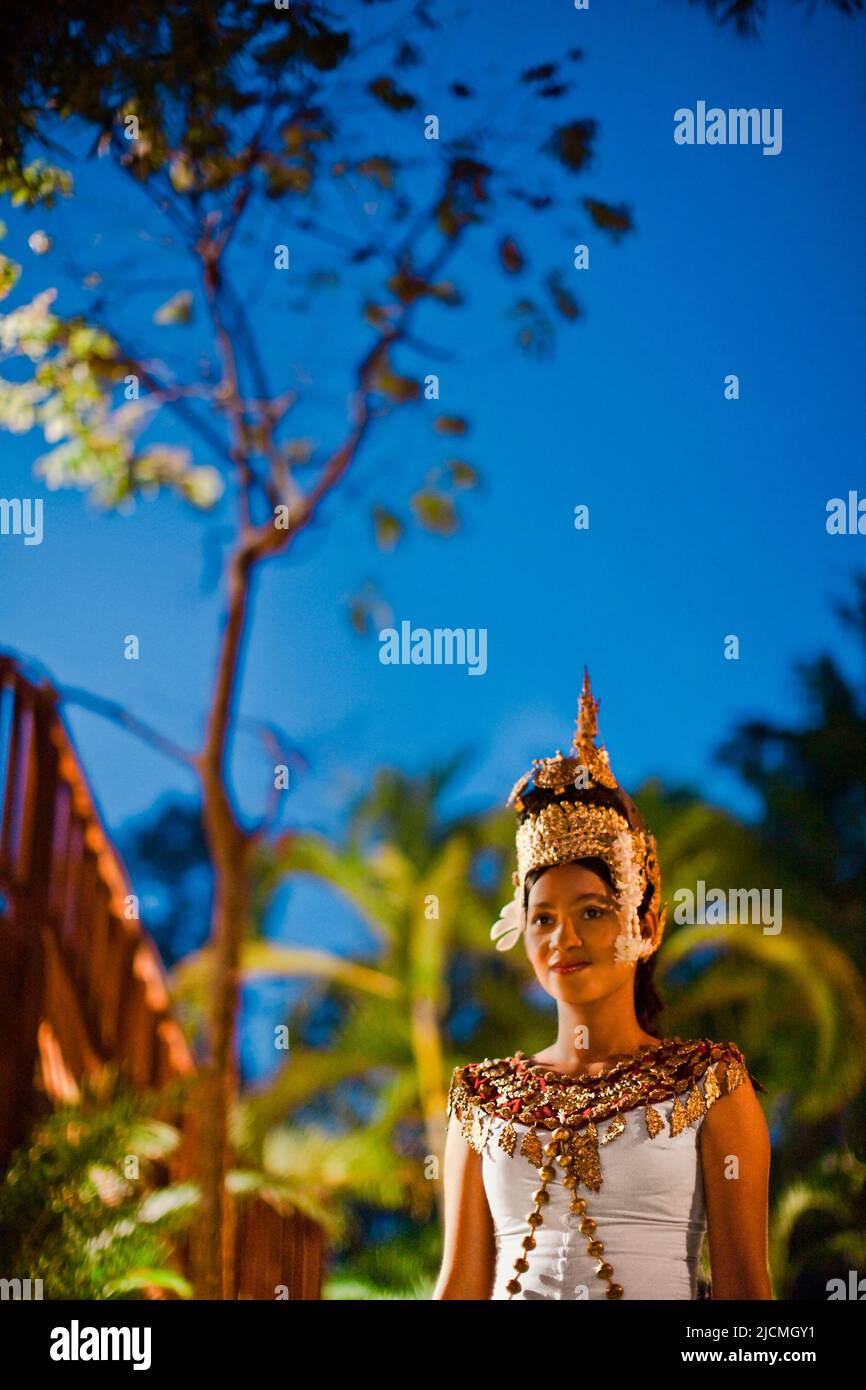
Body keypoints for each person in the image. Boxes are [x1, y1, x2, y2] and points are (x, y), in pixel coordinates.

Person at [433, 671, 772, 1301]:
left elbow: (747, 1295)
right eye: (543, 918)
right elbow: (458, 1288)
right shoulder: (480, 1101)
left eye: (591, 911)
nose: (564, 939)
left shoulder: (710, 1085)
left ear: (644, 924)